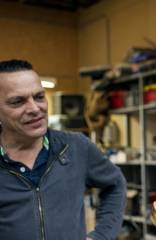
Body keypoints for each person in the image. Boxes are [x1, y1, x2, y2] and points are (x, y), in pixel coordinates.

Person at [0, 59, 127, 240]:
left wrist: (102, 235)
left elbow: (116, 184)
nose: (35, 109)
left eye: (39, 97)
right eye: (18, 101)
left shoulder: (75, 147)